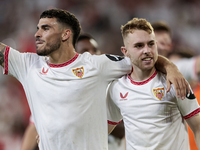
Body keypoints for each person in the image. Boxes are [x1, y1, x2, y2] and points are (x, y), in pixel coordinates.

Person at [0, 8, 189, 150]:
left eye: (45, 28)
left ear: (66, 34)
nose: (37, 34)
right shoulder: (28, 65)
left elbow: (143, 59)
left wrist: (171, 68)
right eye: (37, 28)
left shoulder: (96, 64)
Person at [107, 18, 200, 150]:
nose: (147, 50)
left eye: (151, 44)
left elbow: (198, 128)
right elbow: (105, 129)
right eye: (139, 46)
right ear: (125, 51)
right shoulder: (116, 88)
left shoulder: (175, 82)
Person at [152, 21, 200, 150]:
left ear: (169, 45)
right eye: (152, 41)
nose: (155, 46)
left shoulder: (176, 69)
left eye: (162, 42)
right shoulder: (129, 75)